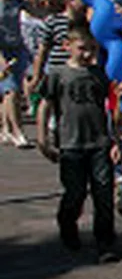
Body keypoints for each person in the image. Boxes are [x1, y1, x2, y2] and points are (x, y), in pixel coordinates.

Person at [35, 26, 117, 261]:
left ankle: (105, 241)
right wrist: (43, 138)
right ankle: (68, 225)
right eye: (82, 49)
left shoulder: (99, 74)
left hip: (99, 141)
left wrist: (115, 140)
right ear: (67, 47)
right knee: (75, 191)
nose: (87, 54)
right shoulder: (58, 75)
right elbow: (45, 105)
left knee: (103, 192)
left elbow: (110, 108)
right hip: (71, 143)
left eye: (92, 49)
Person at [0, 0, 39, 147]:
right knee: (12, 91)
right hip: (2, 52)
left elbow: (37, 12)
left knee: (9, 93)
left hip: (17, 49)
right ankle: (18, 131)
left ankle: (6, 129)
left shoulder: (16, 2)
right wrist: (2, 62)